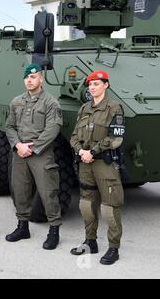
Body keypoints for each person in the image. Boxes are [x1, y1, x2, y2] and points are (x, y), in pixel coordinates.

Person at [5, 63, 63, 250]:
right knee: (20, 190)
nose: (29, 80)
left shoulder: (50, 102)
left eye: (33, 77)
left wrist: (34, 148)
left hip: (41, 154)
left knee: (48, 192)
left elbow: (53, 128)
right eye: (27, 78)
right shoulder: (16, 101)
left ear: (41, 78)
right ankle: (23, 227)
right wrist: (18, 145)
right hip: (20, 152)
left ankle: (54, 231)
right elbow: (9, 126)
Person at [70, 70, 125, 265]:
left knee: (110, 207)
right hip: (85, 164)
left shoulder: (114, 108)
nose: (92, 87)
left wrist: (92, 152)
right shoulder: (84, 108)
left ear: (106, 85)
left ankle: (113, 248)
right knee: (86, 205)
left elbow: (116, 138)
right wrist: (80, 151)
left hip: (104, 164)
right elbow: (74, 136)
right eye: (90, 84)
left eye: (97, 84)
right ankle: (90, 241)